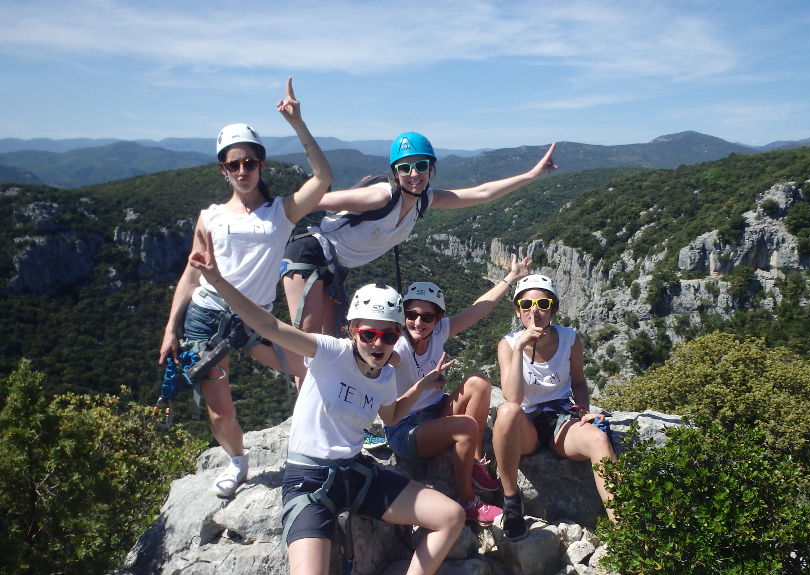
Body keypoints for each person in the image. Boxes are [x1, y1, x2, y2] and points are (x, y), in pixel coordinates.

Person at [189, 230, 465, 575]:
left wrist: (421, 387)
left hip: (355, 471)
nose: (378, 343)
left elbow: (391, 414)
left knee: (450, 516)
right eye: (369, 333)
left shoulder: (386, 369)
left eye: (389, 335)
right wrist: (219, 281)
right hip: (308, 479)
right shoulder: (328, 352)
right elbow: (269, 327)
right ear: (352, 330)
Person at [158, 78, 333, 498]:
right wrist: (171, 328)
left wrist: (298, 123)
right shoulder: (210, 217)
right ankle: (237, 461)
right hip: (207, 315)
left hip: (257, 317)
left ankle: (330, 441)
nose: (242, 171)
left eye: (249, 163)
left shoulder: (281, 212)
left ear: (261, 165)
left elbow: (323, 176)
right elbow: (191, 274)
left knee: (315, 372)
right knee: (220, 413)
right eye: (233, 165)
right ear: (223, 170)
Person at [281, 132, 558, 382]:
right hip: (311, 251)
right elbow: (315, 201)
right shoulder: (381, 195)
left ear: (431, 168)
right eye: (405, 168)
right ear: (395, 172)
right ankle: (311, 420)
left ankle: (333, 409)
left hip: (336, 267)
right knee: (309, 342)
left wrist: (531, 175)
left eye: (421, 166)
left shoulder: (424, 200)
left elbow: (481, 193)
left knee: (333, 344)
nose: (414, 174)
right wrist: (263, 217)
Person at [385, 255, 532, 525]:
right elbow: (370, 360)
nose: (418, 322)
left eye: (427, 316)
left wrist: (512, 278)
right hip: (405, 428)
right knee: (465, 426)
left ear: (437, 318)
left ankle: (474, 460)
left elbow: (480, 309)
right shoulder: (396, 347)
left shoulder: (440, 331)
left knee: (479, 382)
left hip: (434, 411)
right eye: (411, 315)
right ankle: (467, 501)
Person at [492, 274, 618, 540]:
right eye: (526, 306)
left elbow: (579, 382)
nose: (534, 312)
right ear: (518, 311)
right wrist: (520, 350)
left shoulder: (569, 339)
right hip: (525, 423)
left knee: (598, 439)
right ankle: (512, 500)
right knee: (506, 411)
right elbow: (513, 398)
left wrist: (583, 410)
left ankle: (623, 527)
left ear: (554, 308)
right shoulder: (508, 344)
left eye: (543, 304)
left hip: (560, 418)